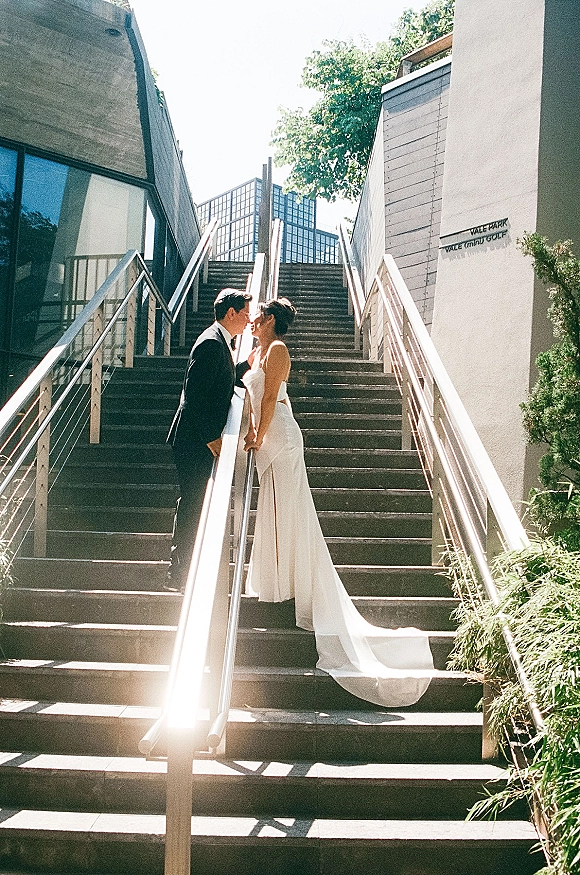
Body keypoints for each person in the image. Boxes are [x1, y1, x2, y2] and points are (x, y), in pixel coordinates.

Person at [242, 297, 434, 707]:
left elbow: (272, 397)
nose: (252, 320)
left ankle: (294, 588)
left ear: (271, 320)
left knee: (288, 513)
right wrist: (252, 433)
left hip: (281, 440)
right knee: (275, 513)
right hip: (266, 441)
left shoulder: (277, 350)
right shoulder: (256, 351)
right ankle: (280, 583)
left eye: (258, 315)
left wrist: (257, 436)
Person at [167, 288, 252, 591]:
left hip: (196, 439)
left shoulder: (218, 344)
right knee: (192, 504)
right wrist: (210, 438)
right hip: (193, 441)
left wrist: (245, 366)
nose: (248, 320)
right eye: (245, 314)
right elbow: (193, 397)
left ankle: (185, 571)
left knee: (194, 502)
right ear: (231, 313)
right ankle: (179, 574)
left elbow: (221, 383)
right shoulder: (211, 344)